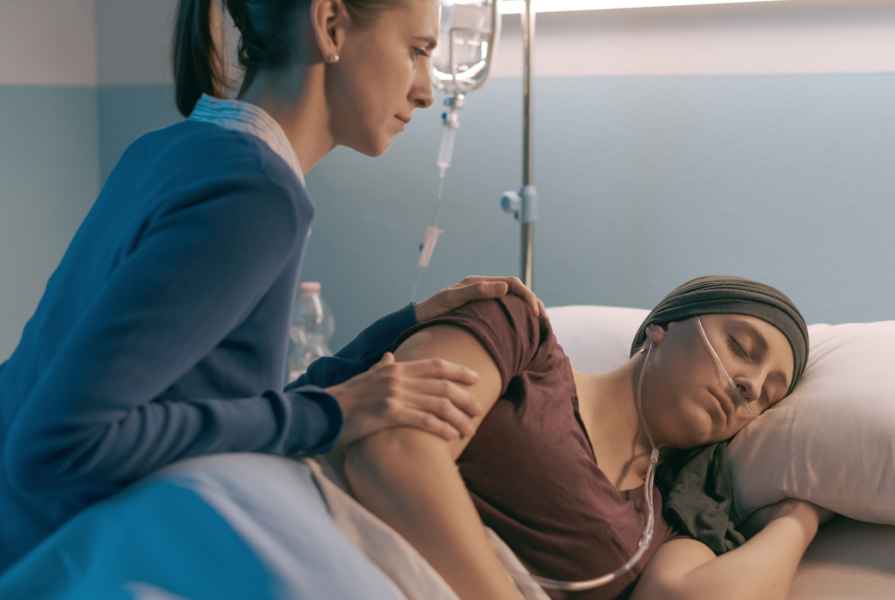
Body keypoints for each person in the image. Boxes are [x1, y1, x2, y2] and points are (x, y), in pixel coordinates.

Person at [0, 0, 547, 571]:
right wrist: (331, 413)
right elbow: (58, 444)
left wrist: (404, 326)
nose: (425, 91)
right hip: (48, 560)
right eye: (416, 51)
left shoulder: (176, 151)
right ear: (330, 24)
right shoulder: (254, 195)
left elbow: (216, 412)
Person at [332, 275, 836, 600]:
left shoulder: (664, 524)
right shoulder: (519, 335)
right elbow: (393, 449)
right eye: (740, 346)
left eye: (767, 396)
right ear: (661, 329)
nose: (749, 386)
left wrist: (803, 516)